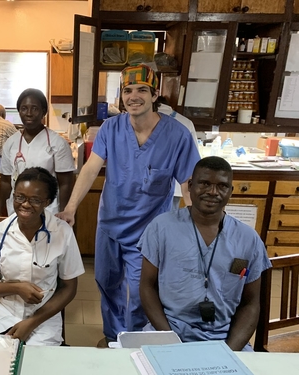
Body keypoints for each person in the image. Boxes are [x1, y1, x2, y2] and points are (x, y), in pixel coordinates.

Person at [56, 64, 200, 345]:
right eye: (128, 90)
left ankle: (134, 338)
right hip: (110, 224)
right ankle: (112, 335)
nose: (134, 96)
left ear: (154, 94)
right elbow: (90, 168)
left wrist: (193, 227)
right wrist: (71, 208)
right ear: (121, 97)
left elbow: (188, 184)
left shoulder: (177, 135)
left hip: (149, 232)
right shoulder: (111, 128)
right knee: (106, 282)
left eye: (142, 90)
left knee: (139, 290)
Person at [139, 156, 271, 351]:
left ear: (230, 192)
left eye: (222, 186)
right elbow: (147, 287)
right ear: (191, 186)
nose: (212, 192)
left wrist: (229, 352)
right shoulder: (161, 228)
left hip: (225, 338)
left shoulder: (248, 239)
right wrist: (169, 340)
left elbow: (251, 303)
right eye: (205, 183)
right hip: (168, 331)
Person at [0, 167, 84, 345]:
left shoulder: (62, 233)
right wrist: (17, 288)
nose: (25, 204)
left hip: (43, 318)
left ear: (47, 202)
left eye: (35, 200)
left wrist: (32, 322)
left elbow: (69, 288)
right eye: (20, 197)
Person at [0, 88, 75, 217]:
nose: (29, 113)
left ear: (43, 112)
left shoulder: (57, 143)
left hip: (48, 211)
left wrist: (64, 214)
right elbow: (5, 181)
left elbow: (65, 183)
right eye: (24, 108)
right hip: (17, 211)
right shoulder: (11, 143)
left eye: (34, 108)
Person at [156, 96, 199, 210]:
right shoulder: (186, 122)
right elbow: (192, 161)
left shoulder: (145, 120)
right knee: (170, 219)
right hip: (179, 185)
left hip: (151, 184)